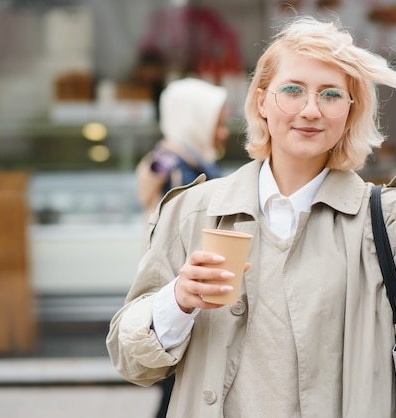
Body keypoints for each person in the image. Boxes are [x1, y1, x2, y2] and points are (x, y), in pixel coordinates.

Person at [108, 16, 396, 417]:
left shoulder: (385, 223)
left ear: (351, 111)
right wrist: (177, 302)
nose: (310, 110)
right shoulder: (192, 212)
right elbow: (131, 360)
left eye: (331, 95)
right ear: (262, 100)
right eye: (293, 90)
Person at [134, 77, 230, 418]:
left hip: (187, 292)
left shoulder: (179, 158)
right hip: (181, 295)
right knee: (177, 388)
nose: (223, 133)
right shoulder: (175, 169)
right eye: (217, 123)